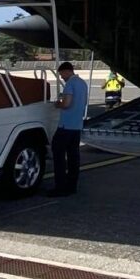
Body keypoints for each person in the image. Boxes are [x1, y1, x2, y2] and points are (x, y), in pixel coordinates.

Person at [48, 62, 87, 197]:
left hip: (66, 126)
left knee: (58, 155)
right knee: (73, 157)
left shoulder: (70, 84)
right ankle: (72, 186)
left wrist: (57, 104)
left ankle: (60, 187)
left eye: (61, 74)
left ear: (66, 71)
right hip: (77, 126)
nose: (62, 77)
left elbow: (67, 103)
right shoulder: (83, 83)